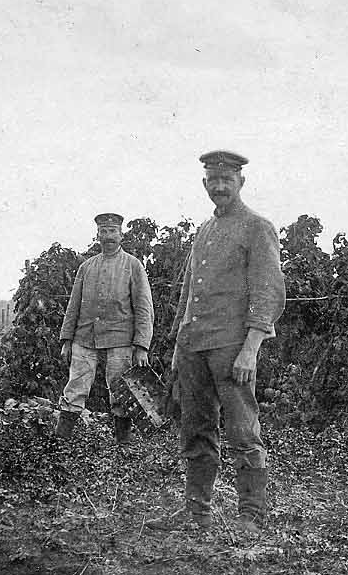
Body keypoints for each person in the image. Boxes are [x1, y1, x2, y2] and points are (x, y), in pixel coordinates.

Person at [149, 150, 285, 536]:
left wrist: (251, 347)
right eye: (213, 180)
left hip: (232, 347)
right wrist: (179, 345)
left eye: (227, 180)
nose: (220, 187)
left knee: (243, 430)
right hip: (195, 346)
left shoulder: (257, 227)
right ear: (204, 184)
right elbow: (189, 293)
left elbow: (268, 291)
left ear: (242, 182)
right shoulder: (204, 232)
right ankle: (197, 513)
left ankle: (251, 516)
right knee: (196, 428)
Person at [54, 212, 154, 443]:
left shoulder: (133, 266)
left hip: (120, 339)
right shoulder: (86, 267)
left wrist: (141, 346)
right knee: (75, 386)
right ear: (97, 235)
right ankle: (60, 443)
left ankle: (123, 445)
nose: (108, 236)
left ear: (121, 235)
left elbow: (144, 308)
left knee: (120, 390)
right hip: (84, 337)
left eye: (112, 231)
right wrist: (67, 340)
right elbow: (74, 304)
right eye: (103, 232)